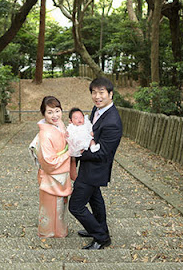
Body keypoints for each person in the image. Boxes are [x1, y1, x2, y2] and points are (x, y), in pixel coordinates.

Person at [69, 77, 123, 250]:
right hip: (89, 167)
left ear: (110, 94)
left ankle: (101, 236)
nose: (97, 96)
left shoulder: (113, 122)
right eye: (94, 92)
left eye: (101, 92)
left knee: (75, 206)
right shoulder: (98, 109)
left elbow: (103, 153)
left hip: (95, 169)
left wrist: (75, 153)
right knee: (95, 200)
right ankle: (100, 228)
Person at [36, 96, 72, 238]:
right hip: (51, 177)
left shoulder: (60, 125)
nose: (55, 115)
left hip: (61, 176)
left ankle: (60, 232)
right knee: (51, 207)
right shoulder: (44, 134)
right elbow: (49, 161)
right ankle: (48, 234)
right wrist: (69, 153)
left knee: (60, 207)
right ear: (44, 114)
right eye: (50, 112)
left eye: (57, 111)